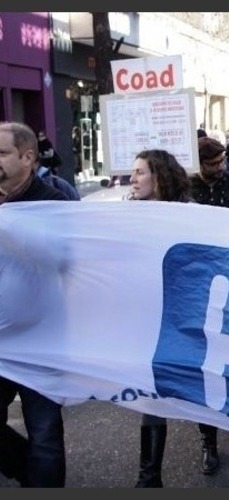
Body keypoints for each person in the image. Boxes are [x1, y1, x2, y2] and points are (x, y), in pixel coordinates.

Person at [127, 149, 209, 487]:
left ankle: (210, 441)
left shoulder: (191, 215)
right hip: (148, 317)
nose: (131, 179)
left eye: (139, 173)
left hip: (185, 315)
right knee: (151, 388)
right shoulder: (124, 214)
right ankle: (149, 477)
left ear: (159, 176)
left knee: (198, 384)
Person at [0, 121, 70, 488]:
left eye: (2, 153)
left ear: (27, 157)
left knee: (45, 434)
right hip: (1, 339)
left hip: (43, 339)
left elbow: (64, 260)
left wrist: (10, 232)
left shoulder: (55, 202)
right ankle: (28, 471)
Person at [191, 136, 229, 211]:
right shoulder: (187, 187)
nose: (220, 167)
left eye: (222, 161)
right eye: (213, 164)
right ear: (199, 165)